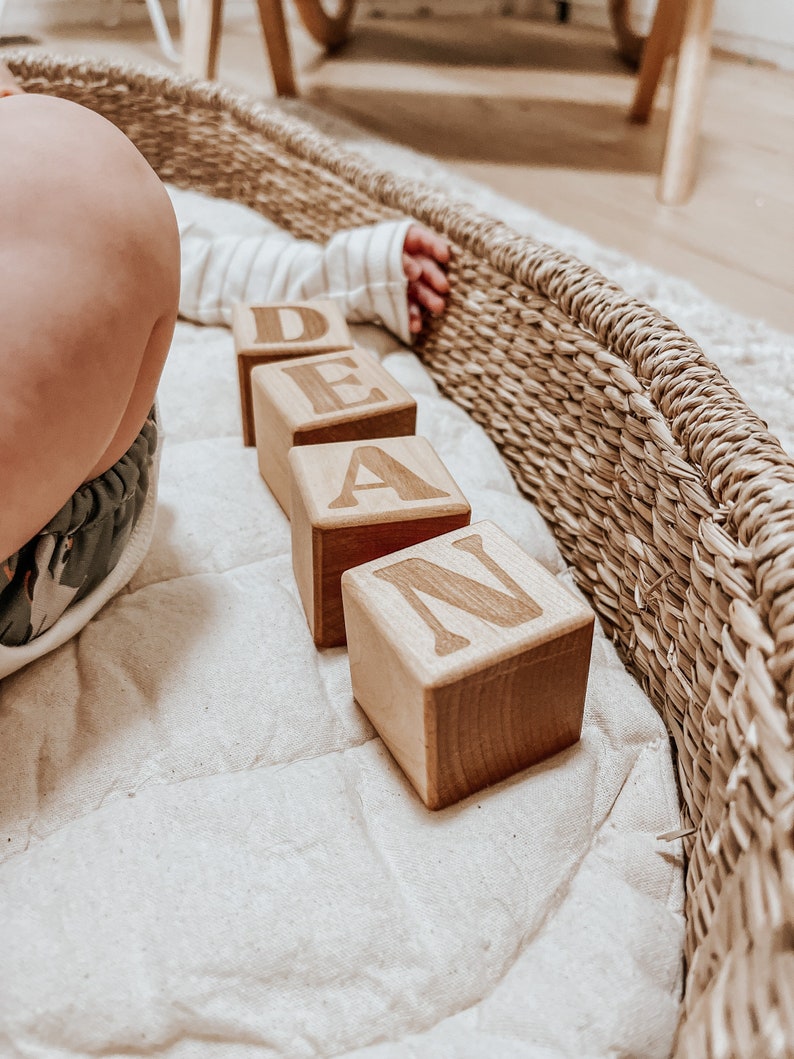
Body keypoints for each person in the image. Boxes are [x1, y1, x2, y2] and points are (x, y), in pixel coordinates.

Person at [0, 66, 450, 672]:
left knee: (74, 173)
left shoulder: (50, 186)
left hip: (40, 527)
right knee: (78, 173)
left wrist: (349, 275)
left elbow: (200, 259)